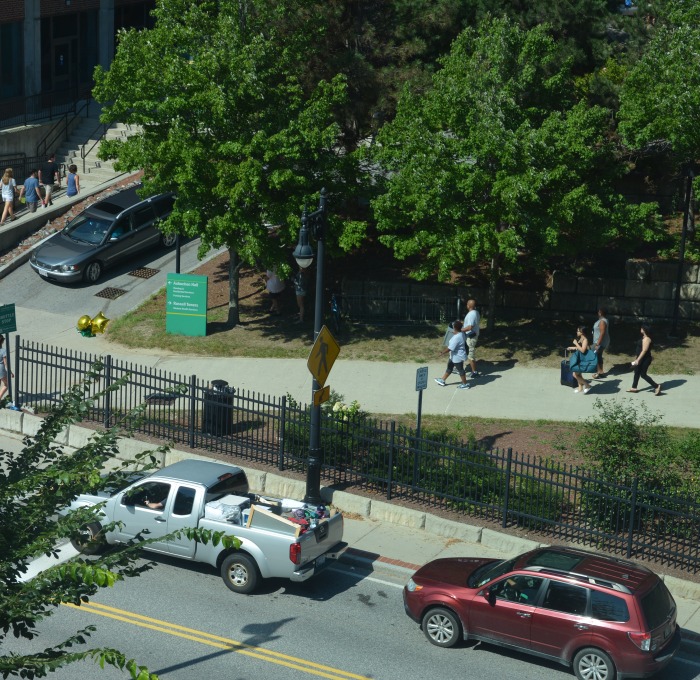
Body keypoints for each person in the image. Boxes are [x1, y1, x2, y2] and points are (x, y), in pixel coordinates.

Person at [434, 320, 470, 389]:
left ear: (455, 328)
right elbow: (459, 332)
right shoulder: (461, 333)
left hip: (457, 357)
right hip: (454, 356)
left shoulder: (456, 338)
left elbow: (450, 348)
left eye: (453, 327)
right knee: (450, 367)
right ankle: (442, 380)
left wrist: (442, 353)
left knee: (461, 370)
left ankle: (465, 384)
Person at [628, 325, 662, 395]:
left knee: (643, 375)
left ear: (645, 329)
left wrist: (638, 360)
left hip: (645, 359)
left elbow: (644, 350)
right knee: (637, 372)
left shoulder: (647, 339)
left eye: (642, 328)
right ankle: (634, 387)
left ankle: (657, 386)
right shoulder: (644, 337)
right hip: (641, 358)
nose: (640, 329)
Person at [567, 326, 593, 394]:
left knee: (575, 374)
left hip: (583, 359)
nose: (577, 332)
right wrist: (572, 348)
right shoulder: (581, 338)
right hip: (579, 358)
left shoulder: (585, 340)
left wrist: (575, 343)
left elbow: (583, 350)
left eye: (578, 331)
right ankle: (580, 388)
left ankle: (587, 385)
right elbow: (579, 347)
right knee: (578, 374)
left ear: (582, 332)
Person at [463, 298, 481, 378]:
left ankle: (475, 372)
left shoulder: (472, 314)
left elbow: (470, 327)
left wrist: (460, 330)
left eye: (467, 304)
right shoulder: (475, 312)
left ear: (469, 305)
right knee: (463, 351)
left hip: (471, 337)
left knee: (470, 355)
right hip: (470, 336)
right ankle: (458, 367)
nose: (466, 305)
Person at [592, 307, 610, 379]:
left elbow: (602, 333)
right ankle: (601, 372)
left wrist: (597, 344)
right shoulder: (602, 320)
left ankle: (598, 372)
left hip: (599, 342)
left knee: (595, 355)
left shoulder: (602, 321)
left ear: (601, 313)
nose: (598, 313)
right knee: (598, 356)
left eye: (599, 311)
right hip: (598, 341)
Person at [0, 335, 13, 403]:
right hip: (1, 370)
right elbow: (5, 363)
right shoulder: (3, 351)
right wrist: (10, 372)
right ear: (2, 342)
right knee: (7, 384)